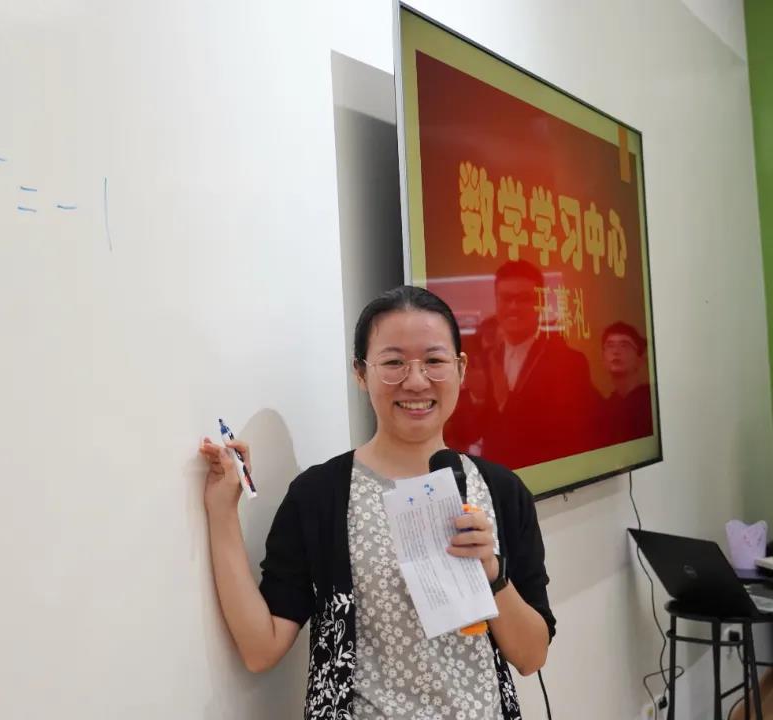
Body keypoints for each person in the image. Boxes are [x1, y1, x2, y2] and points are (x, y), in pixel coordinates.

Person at [200, 286, 555, 719]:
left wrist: (492, 574)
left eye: (434, 361)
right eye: (393, 363)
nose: (416, 380)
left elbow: (531, 656)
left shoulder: (502, 491)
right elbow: (261, 647)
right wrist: (222, 511)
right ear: (361, 373)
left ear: (460, 369)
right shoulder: (320, 496)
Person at [480, 260, 601, 469]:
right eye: (506, 298)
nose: (514, 307)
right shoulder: (485, 360)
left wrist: (508, 404)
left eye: (524, 299)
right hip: (493, 479)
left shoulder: (569, 362)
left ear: (541, 303)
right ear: (496, 302)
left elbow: (569, 436)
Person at [599, 321, 654, 444]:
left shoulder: (650, 401)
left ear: (639, 359)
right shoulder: (606, 407)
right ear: (603, 358)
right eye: (610, 345)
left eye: (624, 345)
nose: (616, 351)